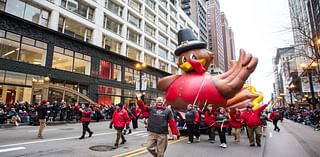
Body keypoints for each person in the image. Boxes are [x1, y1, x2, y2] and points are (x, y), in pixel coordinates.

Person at [136, 92, 178, 157]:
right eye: (158, 101)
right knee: (149, 147)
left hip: (162, 134)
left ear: (163, 102)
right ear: (156, 102)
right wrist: (139, 98)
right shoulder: (152, 109)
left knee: (160, 152)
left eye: (160, 101)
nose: (159, 102)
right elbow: (142, 107)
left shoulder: (168, 111)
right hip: (152, 133)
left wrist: (174, 133)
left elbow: (172, 122)